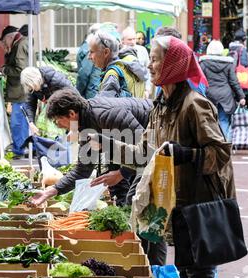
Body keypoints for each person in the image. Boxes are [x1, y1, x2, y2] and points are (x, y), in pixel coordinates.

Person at [92, 36, 236, 278]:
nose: (149, 65)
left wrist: (187, 155)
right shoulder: (160, 107)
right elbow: (143, 154)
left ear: (174, 64)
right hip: (176, 206)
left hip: (200, 206)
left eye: (156, 59)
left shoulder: (195, 104)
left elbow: (221, 153)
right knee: (185, 273)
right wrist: (106, 144)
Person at [30, 89, 163, 261]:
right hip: (145, 150)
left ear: (71, 113)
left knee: (139, 201)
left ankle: (152, 264)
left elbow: (146, 149)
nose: (60, 127)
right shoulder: (86, 126)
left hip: (159, 138)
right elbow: (83, 169)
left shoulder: (105, 114)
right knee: (137, 203)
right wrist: (51, 191)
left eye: (58, 122)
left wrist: (122, 173)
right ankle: (147, 262)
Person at [200, 40, 246, 141]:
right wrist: (241, 97)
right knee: (224, 120)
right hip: (225, 97)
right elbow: (234, 82)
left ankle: (211, 143)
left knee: (209, 120)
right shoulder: (228, 64)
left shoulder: (203, 63)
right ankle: (223, 143)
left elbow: (200, 81)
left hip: (209, 96)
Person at [87, 29, 147, 98]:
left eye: (92, 52)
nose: (89, 57)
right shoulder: (132, 60)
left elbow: (103, 107)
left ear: (106, 52)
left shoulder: (112, 74)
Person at [0, 25, 29, 158]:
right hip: (20, 90)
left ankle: (20, 149)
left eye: (4, 40)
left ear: (10, 37)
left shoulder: (19, 46)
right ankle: (21, 147)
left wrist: (5, 70)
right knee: (21, 121)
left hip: (20, 91)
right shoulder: (20, 43)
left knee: (18, 122)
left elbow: (20, 70)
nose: (4, 43)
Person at [20, 66, 74, 136]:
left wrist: (74, 127)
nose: (31, 89)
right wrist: (31, 122)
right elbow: (30, 104)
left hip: (67, 112)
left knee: (70, 139)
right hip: (54, 113)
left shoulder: (57, 80)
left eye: (32, 86)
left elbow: (75, 101)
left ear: (36, 80)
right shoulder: (33, 88)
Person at [122, 27, 152, 98]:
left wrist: (147, 89)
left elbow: (148, 69)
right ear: (122, 41)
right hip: (125, 93)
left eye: (134, 39)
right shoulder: (119, 53)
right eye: (129, 39)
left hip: (141, 93)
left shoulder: (142, 50)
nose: (132, 42)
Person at [76, 23, 102, 99]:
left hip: (92, 92)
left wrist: (78, 92)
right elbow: (84, 73)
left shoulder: (88, 47)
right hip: (91, 93)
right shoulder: (90, 49)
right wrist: (78, 92)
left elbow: (84, 73)